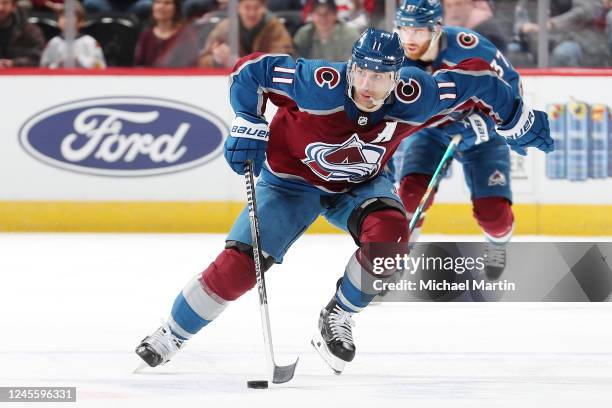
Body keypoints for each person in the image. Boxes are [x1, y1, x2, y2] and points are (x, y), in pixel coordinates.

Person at [134, 28, 552, 374]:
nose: (368, 86)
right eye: (363, 73)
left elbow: (485, 85)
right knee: (240, 267)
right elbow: (250, 71)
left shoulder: (417, 95)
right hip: (289, 184)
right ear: (351, 66)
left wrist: (517, 121)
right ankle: (172, 332)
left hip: (360, 186)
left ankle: (339, 315)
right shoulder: (318, 85)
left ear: (397, 77)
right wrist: (248, 120)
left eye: (381, 77)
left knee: (391, 238)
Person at [390, 0, 527, 278]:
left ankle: (497, 243)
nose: (409, 39)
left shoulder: (470, 47)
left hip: (483, 138)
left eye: (417, 31)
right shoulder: (394, 58)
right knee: (409, 197)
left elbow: (512, 89)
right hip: (431, 132)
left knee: (494, 216)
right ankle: (395, 260)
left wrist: (490, 122)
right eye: (403, 30)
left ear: (437, 28)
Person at [197, 0, 293, 68]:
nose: (252, 13)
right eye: (247, 7)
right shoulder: (225, 27)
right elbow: (202, 60)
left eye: (257, 7)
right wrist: (217, 59)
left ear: (264, 8)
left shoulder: (274, 27)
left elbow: (284, 57)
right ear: (238, 8)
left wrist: (241, 63)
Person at [40, 2, 106, 68]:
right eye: (63, 16)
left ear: (81, 22)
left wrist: (79, 59)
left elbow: (100, 66)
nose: (66, 20)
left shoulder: (90, 42)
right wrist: (59, 64)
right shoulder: (53, 43)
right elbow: (44, 66)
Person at [293, 0, 360, 61]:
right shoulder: (304, 34)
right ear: (312, 15)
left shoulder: (350, 35)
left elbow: (352, 65)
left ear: (335, 14)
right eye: (318, 13)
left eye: (327, 13)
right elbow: (296, 61)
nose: (323, 18)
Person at [134, 0, 187, 66]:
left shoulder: (184, 35)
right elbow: (139, 65)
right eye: (157, 2)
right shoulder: (146, 35)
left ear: (176, 8)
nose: (161, 7)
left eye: (167, 3)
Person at [442, 0, 507, 52]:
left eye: (459, 4)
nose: (454, 10)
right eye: (448, 6)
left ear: (471, 5)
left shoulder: (486, 29)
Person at [0, 0, 45, 68]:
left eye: (5, 3)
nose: (0, 7)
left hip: (21, 76)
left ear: (13, 6)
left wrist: (13, 63)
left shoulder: (30, 31)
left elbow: (39, 58)